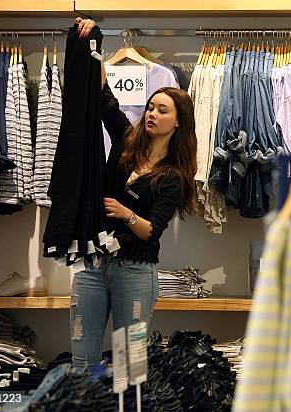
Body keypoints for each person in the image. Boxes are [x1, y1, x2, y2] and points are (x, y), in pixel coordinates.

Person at [71, 18, 197, 368]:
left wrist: (124, 212)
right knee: (82, 359)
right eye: (150, 108)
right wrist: (92, 42)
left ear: (178, 122)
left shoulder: (174, 176)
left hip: (135, 270)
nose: (152, 114)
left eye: (162, 110)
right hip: (94, 264)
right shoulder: (127, 143)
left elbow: (151, 230)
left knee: (129, 364)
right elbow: (104, 97)